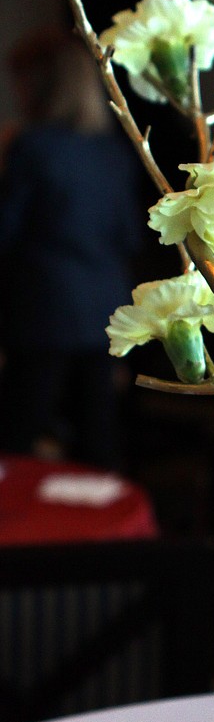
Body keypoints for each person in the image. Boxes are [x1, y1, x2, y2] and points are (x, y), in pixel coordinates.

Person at [0, 28, 143, 466]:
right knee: (99, 440)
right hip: (105, 311)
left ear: (40, 83)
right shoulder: (115, 151)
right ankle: (108, 530)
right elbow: (131, 236)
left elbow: (5, 231)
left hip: (42, 313)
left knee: (18, 435)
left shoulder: (31, 147)